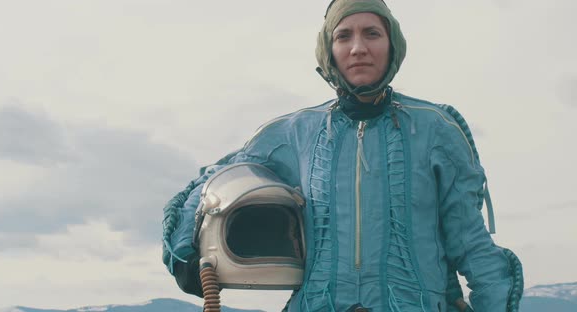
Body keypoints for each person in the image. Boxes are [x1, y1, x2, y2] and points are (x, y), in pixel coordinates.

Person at [162, 0, 523, 311]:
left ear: (392, 44)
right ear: (328, 49)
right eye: (343, 36)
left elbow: (472, 246)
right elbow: (214, 181)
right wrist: (186, 254)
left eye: (372, 33)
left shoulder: (436, 129)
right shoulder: (294, 132)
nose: (358, 48)